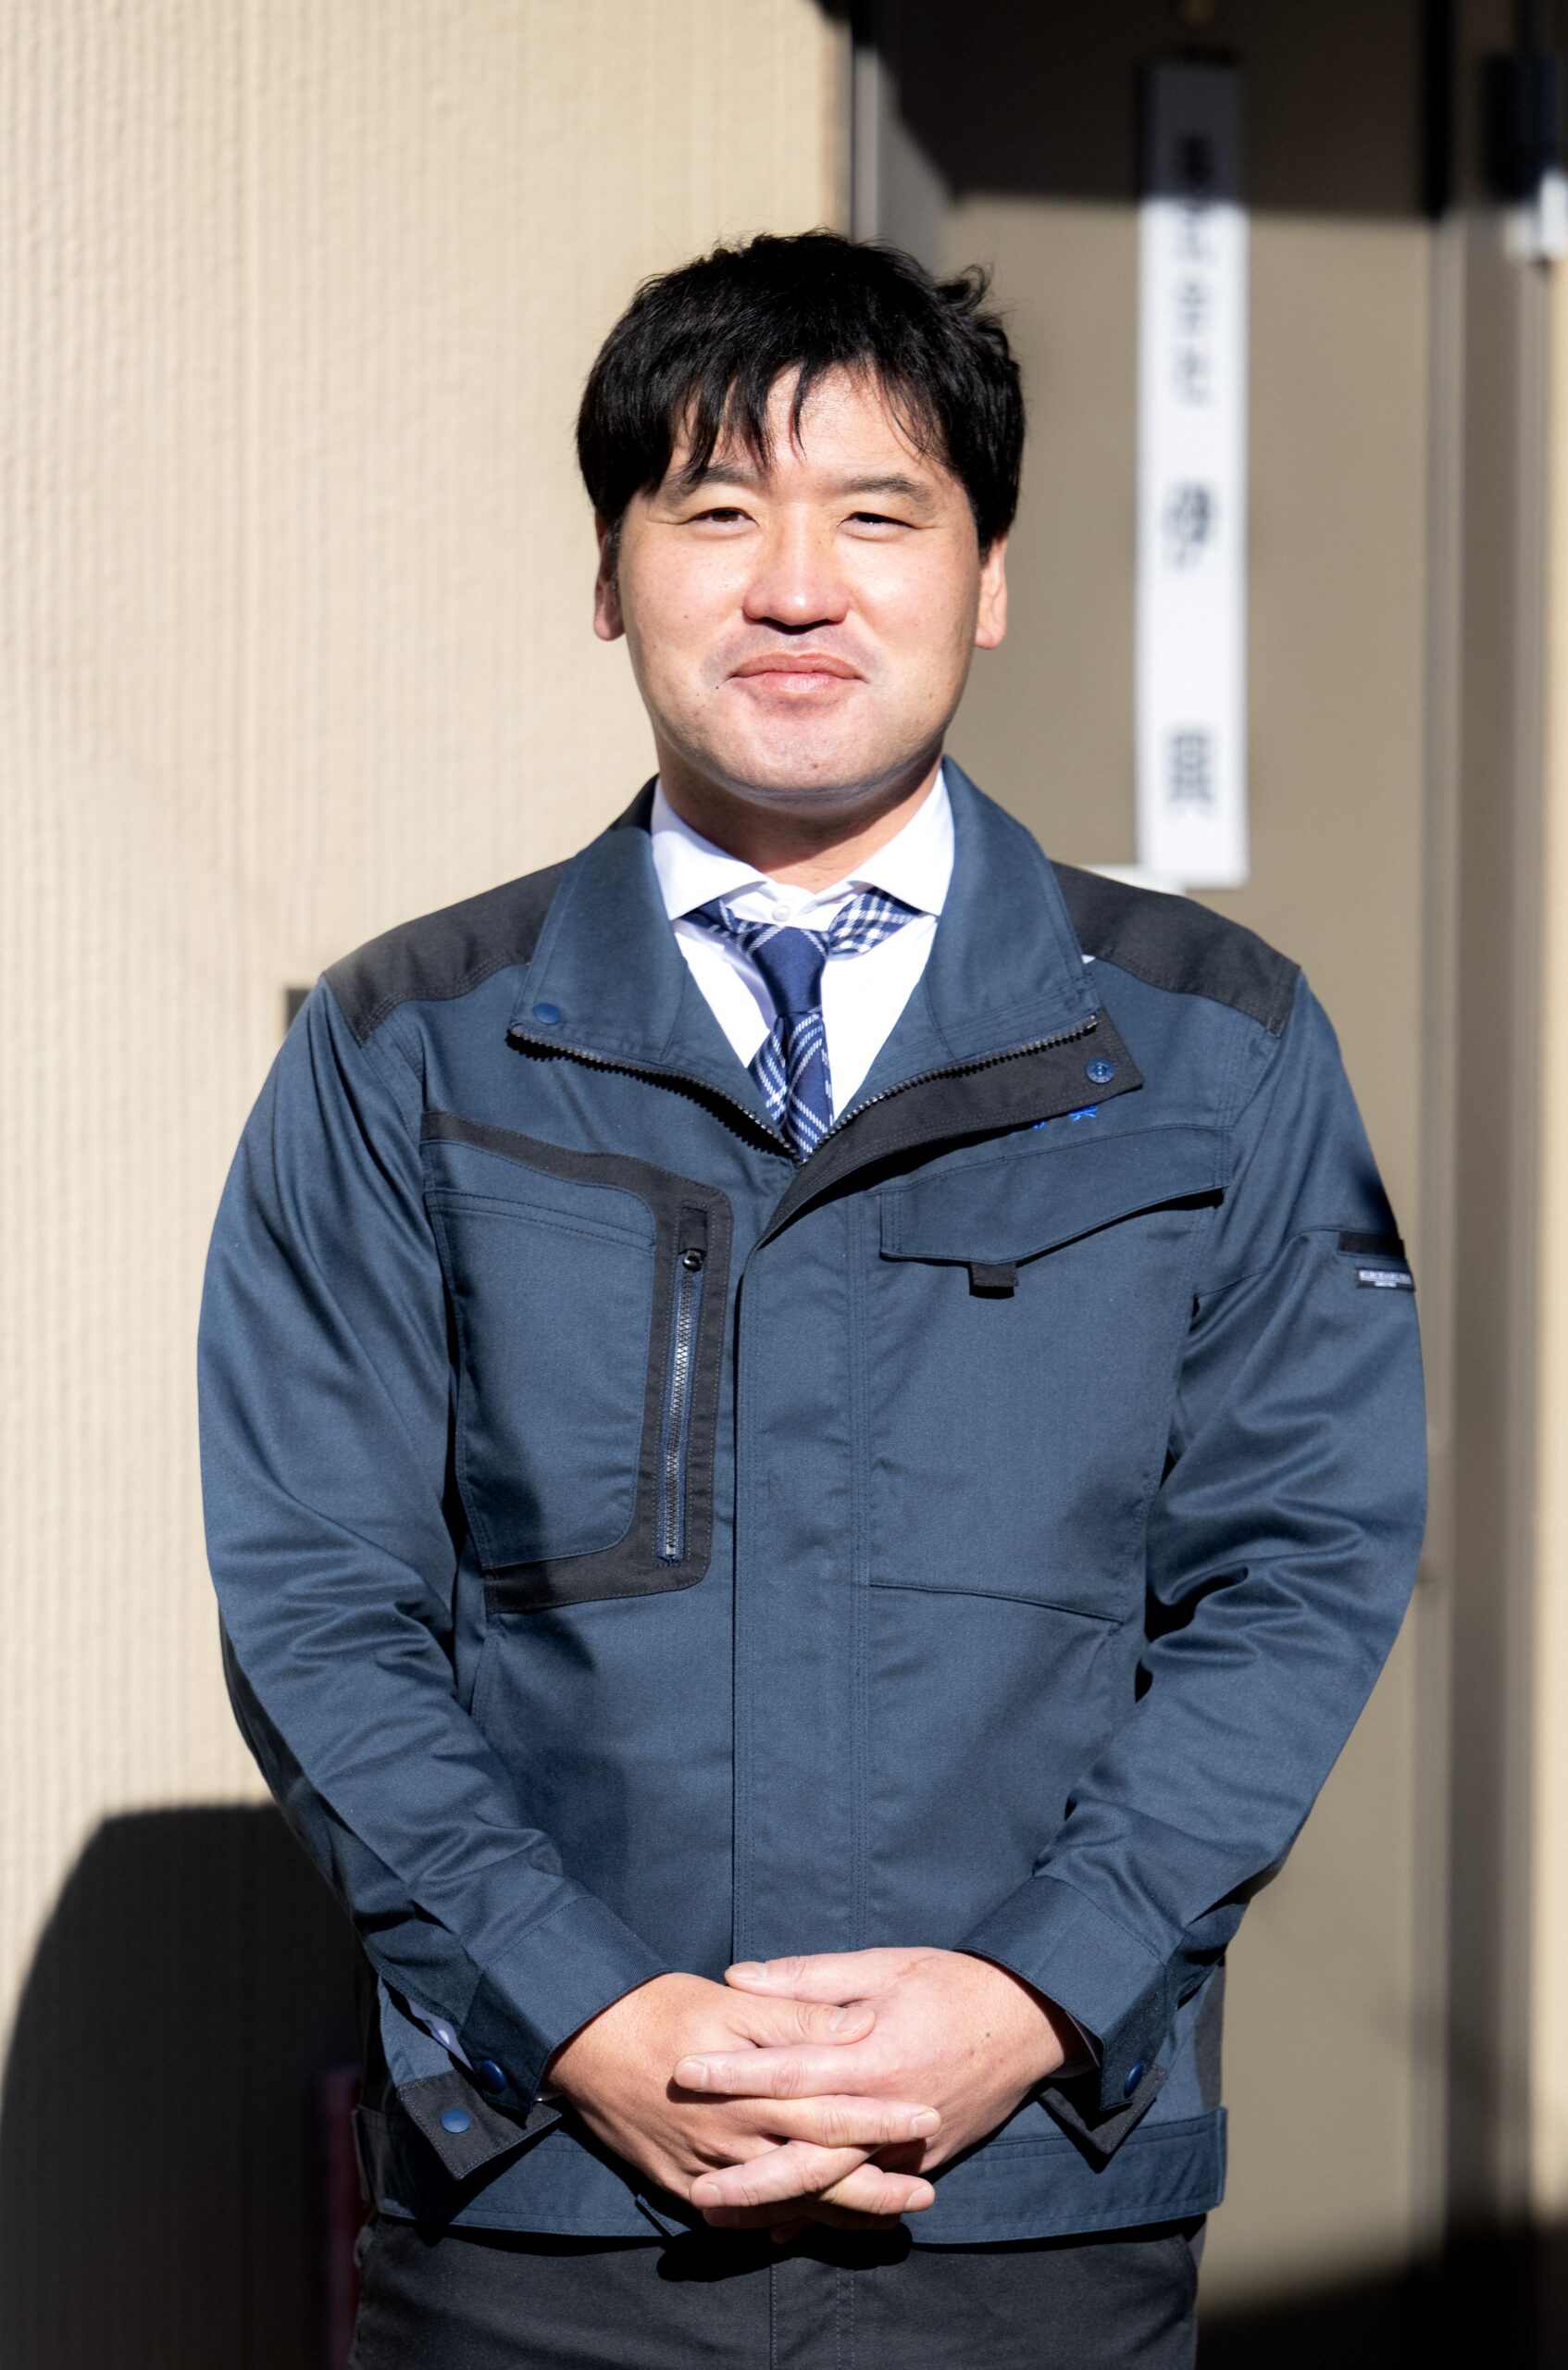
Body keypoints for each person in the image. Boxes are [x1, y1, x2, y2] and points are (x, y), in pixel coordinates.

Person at [197, 231, 1427, 2368]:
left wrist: (1034, 1988)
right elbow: (318, 1598)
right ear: (609, 573)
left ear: (988, 573)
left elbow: (1301, 1563)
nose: (794, 587)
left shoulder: (1209, 1045)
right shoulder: (413, 1049)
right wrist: (581, 2010)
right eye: (714, 512)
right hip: (539, 2213)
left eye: (876, 515)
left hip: (1023, 2206)